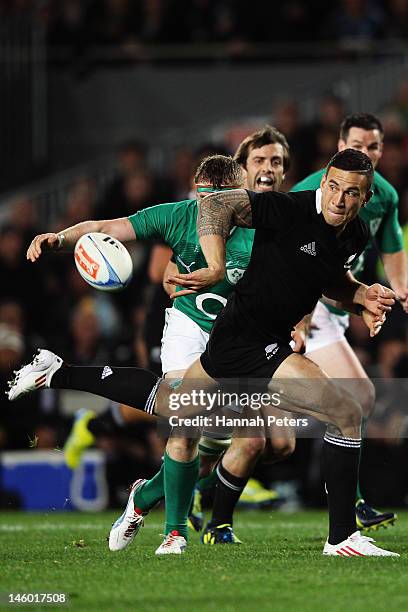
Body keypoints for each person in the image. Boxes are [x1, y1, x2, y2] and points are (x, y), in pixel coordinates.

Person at [8, 149, 397, 557]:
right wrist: (62, 240)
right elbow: (205, 215)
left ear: (366, 197)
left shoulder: (352, 234)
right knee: (332, 414)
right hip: (226, 334)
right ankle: (325, 537)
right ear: (322, 184)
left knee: (196, 412)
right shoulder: (279, 209)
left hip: (249, 337)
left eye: (351, 192)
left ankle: (60, 372)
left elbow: (324, 276)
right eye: (333, 186)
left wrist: (361, 296)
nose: (339, 199)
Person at [291, 113, 408, 530]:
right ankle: (349, 502)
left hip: (335, 302)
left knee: (360, 401)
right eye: (357, 144)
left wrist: (399, 287)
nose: (366, 152)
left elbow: (391, 246)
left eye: (374, 146)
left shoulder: (383, 195)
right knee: (352, 402)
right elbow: (301, 259)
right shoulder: (312, 191)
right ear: (340, 145)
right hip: (307, 301)